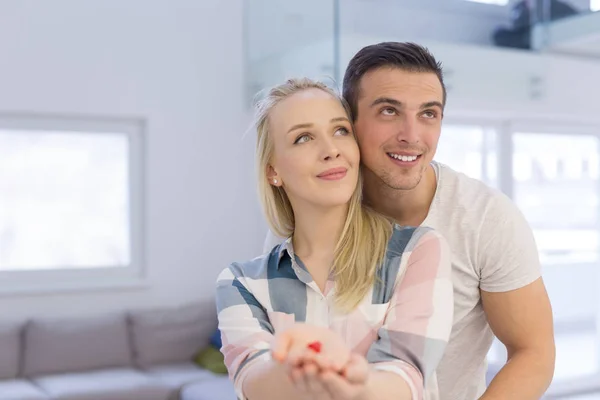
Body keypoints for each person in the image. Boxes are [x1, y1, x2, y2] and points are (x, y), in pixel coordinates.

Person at [264, 42, 555, 399]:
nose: (412, 135)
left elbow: (533, 352)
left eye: (428, 114)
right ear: (350, 123)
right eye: (389, 111)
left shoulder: (485, 219)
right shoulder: (304, 227)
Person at [216, 78, 454, 400]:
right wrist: (299, 366)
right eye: (303, 138)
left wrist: (356, 382)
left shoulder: (418, 252)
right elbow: (253, 380)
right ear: (273, 171)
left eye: (340, 130)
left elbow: (406, 376)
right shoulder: (240, 282)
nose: (331, 151)